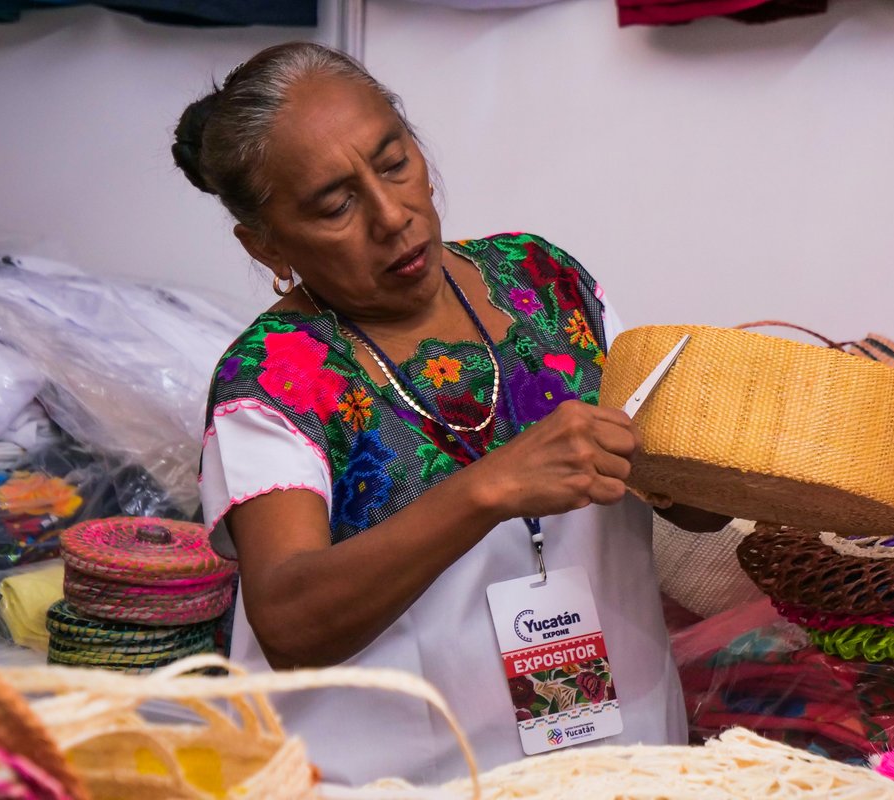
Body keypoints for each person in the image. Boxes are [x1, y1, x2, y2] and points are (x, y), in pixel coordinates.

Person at [175, 42, 727, 787]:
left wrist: (715, 460)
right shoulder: (275, 376)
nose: (391, 214)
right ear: (267, 244)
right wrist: (487, 489)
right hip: (410, 781)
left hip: (625, 762)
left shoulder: (543, 281)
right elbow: (291, 621)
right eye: (336, 205)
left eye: (395, 163)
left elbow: (676, 493)